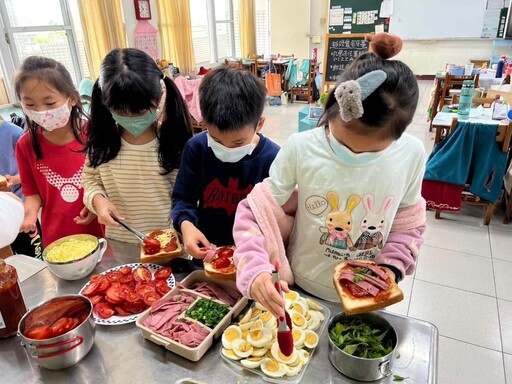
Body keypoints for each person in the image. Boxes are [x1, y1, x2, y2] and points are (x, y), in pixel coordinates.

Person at [233, 51, 427, 318]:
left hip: (367, 294)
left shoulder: (411, 154)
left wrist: (389, 269)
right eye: (343, 144)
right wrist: (254, 268)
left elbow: (408, 223)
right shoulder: (302, 147)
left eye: (370, 151)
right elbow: (254, 211)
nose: (353, 154)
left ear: (399, 133)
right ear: (333, 107)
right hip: (302, 284)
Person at [82, 48, 192, 243]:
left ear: (160, 95)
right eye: (120, 111)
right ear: (105, 103)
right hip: (120, 243)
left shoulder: (175, 142)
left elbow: (187, 196)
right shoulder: (102, 144)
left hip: (170, 244)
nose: (131, 119)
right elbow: (91, 181)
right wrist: (98, 201)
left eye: (140, 111)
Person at [172, 67, 280, 259]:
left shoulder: (273, 158)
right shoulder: (196, 148)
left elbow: (277, 217)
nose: (227, 148)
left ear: (260, 124)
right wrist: (186, 225)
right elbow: (183, 198)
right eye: (217, 141)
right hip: (207, 250)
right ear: (204, 123)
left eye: (238, 142)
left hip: (254, 256)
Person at [14, 56, 103, 247]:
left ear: (72, 98)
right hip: (58, 238)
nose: (41, 111)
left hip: (102, 230)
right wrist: (29, 217)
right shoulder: (25, 145)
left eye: (49, 103)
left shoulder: (95, 133)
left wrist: (98, 205)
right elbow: (32, 194)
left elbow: (110, 182)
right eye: (30, 104)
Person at [0, 116, 43, 258]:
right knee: (9, 260)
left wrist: (14, 180)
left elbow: (33, 171)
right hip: (2, 216)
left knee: (34, 256)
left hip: (22, 209)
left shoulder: (14, 133)